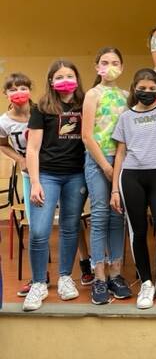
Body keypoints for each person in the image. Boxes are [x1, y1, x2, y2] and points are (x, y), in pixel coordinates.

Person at [110, 68, 156, 309]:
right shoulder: (125, 117)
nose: (147, 92)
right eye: (143, 88)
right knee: (138, 232)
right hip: (132, 177)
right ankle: (146, 283)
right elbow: (120, 154)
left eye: (152, 89)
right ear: (134, 89)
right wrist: (114, 190)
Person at [22, 60, 87, 312]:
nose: (64, 80)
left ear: (77, 78)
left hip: (76, 176)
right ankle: (38, 283)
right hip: (46, 176)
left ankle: (65, 278)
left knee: (70, 227)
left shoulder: (84, 105)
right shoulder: (42, 108)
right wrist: (36, 182)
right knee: (39, 231)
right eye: (59, 77)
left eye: (69, 75)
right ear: (51, 81)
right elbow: (33, 148)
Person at [81, 47, 132, 305]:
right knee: (100, 214)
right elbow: (87, 135)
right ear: (97, 66)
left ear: (121, 67)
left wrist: (118, 166)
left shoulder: (126, 95)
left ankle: (116, 273)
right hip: (98, 160)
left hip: (122, 161)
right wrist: (105, 165)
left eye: (115, 62)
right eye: (104, 62)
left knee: (118, 216)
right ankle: (99, 275)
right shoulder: (92, 94)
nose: (109, 66)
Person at [0, 73, 48, 296]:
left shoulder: (42, 111)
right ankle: (39, 277)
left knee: (70, 220)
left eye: (22, 87)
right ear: (5, 94)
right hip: (30, 177)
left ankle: (84, 265)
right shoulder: (4, 121)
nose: (18, 92)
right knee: (36, 227)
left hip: (53, 172)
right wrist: (20, 160)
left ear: (30, 89)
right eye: (12, 89)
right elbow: (2, 144)